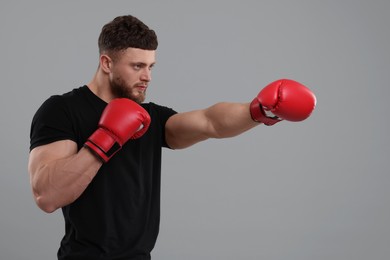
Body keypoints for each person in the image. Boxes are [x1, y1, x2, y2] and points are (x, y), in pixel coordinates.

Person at [28, 15, 316, 260]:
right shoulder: (62, 109)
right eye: (137, 66)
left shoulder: (150, 117)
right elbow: (47, 195)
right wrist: (105, 139)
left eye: (151, 66)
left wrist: (258, 110)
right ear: (107, 63)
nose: (147, 77)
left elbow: (209, 122)